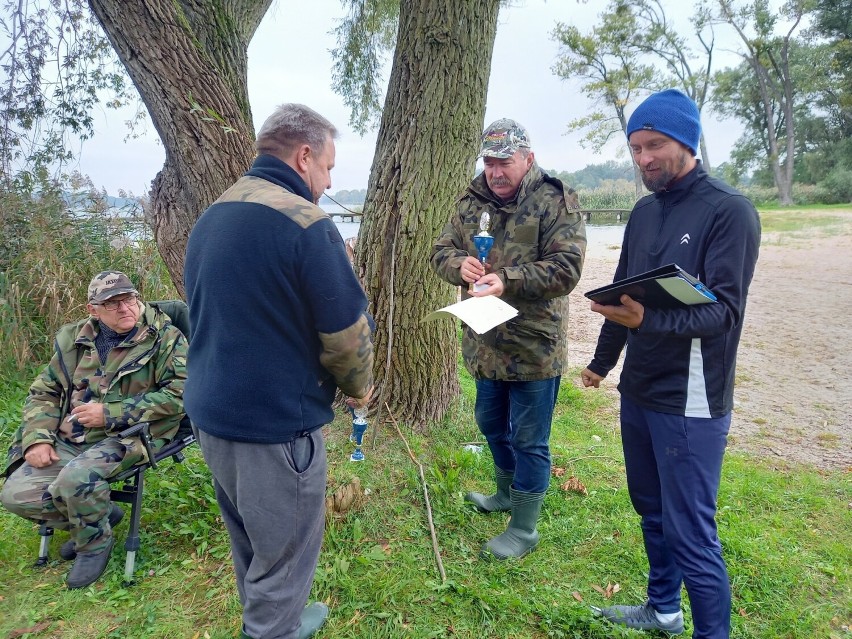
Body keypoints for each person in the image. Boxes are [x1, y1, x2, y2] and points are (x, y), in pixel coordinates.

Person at [183, 103, 374, 639]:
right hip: (274, 426)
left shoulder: (213, 215)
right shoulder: (307, 224)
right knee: (285, 559)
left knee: (252, 543)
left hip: (211, 414)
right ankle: (272, 627)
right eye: (329, 167)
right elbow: (345, 335)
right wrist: (360, 390)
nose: (329, 180)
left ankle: (276, 619)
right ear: (304, 155)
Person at [581, 89, 761, 638]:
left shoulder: (729, 211)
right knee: (652, 511)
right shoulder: (643, 211)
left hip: (693, 398)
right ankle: (664, 610)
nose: (643, 159)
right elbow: (626, 297)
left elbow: (724, 314)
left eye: (654, 145)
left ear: (686, 140)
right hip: (639, 390)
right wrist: (602, 364)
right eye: (635, 148)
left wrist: (646, 324)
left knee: (691, 531)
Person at [431, 118, 586, 560]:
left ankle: (524, 528)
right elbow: (440, 250)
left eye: (505, 162)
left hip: (533, 346)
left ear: (528, 159)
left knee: (530, 440)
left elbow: (567, 268)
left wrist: (508, 279)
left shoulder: (554, 200)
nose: (496, 171)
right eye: (490, 162)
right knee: (491, 424)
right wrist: (457, 265)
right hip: (485, 344)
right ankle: (504, 493)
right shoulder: (470, 200)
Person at [1, 271, 188, 589]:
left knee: (76, 479)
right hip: (72, 435)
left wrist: (111, 414)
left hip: (132, 435)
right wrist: (37, 439)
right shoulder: (74, 339)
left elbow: (183, 394)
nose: (125, 307)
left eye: (129, 298)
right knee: (15, 496)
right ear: (93, 309)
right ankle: (97, 515)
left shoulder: (164, 336)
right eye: (112, 303)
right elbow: (44, 392)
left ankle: (94, 543)